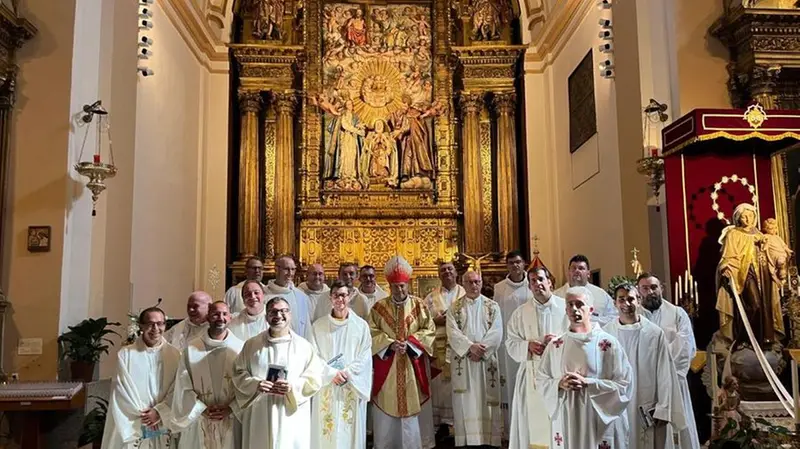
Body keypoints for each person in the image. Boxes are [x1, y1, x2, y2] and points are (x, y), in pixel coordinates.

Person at [536, 287, 633, 449]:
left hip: (597, 419)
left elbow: (625, 384)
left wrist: (589, 383)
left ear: (591, 310)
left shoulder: (608, 344)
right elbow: (541, 379)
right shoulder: (555, 346)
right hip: (567, 419)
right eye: (570, 305)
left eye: (580, 304)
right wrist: (559, 384)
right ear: (566, 310)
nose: (574, 309)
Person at [232, 297, 327, 448]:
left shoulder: (304, 347)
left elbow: (314, 378)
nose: (278, 315)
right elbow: (238, 373)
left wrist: (293, 387)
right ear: (266, 316)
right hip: (260, 412)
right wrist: (256, 384)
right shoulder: (252, 345)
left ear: (290, 315)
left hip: (291, 415)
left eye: (284, 311)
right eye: (273, 312)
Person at [603, 284, 686, 449]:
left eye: (631, 299)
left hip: (647, 408)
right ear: (615, 303)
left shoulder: (654, 334)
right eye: (621, 299)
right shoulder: (606, 335)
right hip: (617, 407)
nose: (626, 303)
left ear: (639, 301)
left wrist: (663, 408)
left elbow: (665, 373)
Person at [369, 255, 436, 449]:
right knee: (386, 405)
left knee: (412, 406)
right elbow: (371, 332)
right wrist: (389, 344)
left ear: (408, 284)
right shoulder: (379, 307)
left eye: (403, 286)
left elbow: (429, 329)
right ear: (390, 286)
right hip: (388, 367)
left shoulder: (419, 305)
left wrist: (411, 344)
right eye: (396, 286)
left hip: (411, 365)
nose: (399, 289)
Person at [506, 267, 568, 449]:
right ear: (529, 286)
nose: (537, 284)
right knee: (531, 424)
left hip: (559, 375)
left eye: (540, 279)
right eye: (532, 281)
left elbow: (577, 336)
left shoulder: (566, 308)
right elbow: (510, 342)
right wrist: (528, 346)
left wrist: (556, 342)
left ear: (549, 282)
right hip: (531, 374)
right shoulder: (520, 313)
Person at [101, 307, 180, 449]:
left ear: (165, 325)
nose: (155, 328)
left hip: (163, 421)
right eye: (150, 324)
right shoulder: (126, 354)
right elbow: (122, 389)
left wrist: (159, 412)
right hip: (135, 422)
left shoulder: (175, 355)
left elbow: (178, 388)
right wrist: (145, 417)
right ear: (141, 326)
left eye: (160, 323)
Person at [637, 273, 700, 449]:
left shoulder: (677, 314)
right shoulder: (634, 316)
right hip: (646, 385)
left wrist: (661, 368)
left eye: (654, 287)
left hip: (674, 382)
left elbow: (685, 346)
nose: (650, 292)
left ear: (661, 288)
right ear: (638, 291)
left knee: (678, 431)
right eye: (645, 288)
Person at [170, 302, 244, 449]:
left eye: (224, 314)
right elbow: (182, 384)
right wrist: (201, 409)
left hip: (231, 417)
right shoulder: (191, 349)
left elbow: (246, 385)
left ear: (230, 318)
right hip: (199, 418)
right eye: (215, 314)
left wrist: (232, 408)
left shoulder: (241, 348)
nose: (220, 318)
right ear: (208, 317)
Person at [311, 280, 373, 449]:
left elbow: (365, 357)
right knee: (326, 431)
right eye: (336, 295)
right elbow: (313, 356)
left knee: (350, 430)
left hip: (351, 385)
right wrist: (331, 374)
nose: (340, 299)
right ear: (330, 297)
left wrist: (347, 373)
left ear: (350, 297)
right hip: (327, 386)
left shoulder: (361, 326)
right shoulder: (318, 326)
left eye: (344, 295)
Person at [446, 270, 503, 447]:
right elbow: (452, 332)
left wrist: (481, 350)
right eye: (469, 282)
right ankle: (466, 440)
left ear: (481, 282)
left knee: (487, 400)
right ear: (463, 284)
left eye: (477, 282)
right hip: (464, 361)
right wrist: (470, 347)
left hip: (485, 362)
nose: (473, 285)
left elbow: (497, 331)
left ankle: (489, 440)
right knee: (466, 400)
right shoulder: (454, 308)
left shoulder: (492, 306)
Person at [716, 203, 784, 346]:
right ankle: (745, 339)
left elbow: (774, 253)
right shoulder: (733, 234)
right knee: (754, 305)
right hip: (745, 274)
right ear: (738, 218)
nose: (748, 219)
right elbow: (728, 256)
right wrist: (726, 268)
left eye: (751, 216)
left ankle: (763, 338)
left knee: (765, 306)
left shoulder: (759, 234)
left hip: (763, 274)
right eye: (744, 217)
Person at [493, 250, 530, 439]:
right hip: (507, 345)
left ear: (524, 264)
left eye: (518, 262)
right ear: (507, 266)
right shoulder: (499, 288)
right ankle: (509, 432)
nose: (515, 265)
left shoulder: (533, 285)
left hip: (529, 343)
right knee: (509, 385)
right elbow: (495, 316)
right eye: (511, 263)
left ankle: (528, 429)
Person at [424, 261, 464, 429]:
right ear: (438, 275)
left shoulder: (465, 293)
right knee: (440, 386)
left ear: (456, 273)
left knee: (459, 384)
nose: (446, 272)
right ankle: (440, 424)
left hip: (460, 348)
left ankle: (459, 423)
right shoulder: (430, 297)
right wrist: (435, 321)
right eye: (443, 270)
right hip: (439, 350)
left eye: (450, 269)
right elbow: (423, 322)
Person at [554, 255, 617, 327]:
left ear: (588, 273)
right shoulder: (556, 296)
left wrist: (591, 321)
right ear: (568, 272)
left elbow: (614, 318)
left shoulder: (601, 295)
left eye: (581, 268)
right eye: (573, 268)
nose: (577, 271)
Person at [264, 255, 313, 340]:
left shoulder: (301, 297)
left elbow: (307, 327)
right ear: (276, 269)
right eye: (286, 269)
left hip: (296, 347)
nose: (290, 273)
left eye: (293, 269)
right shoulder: (264, 295)